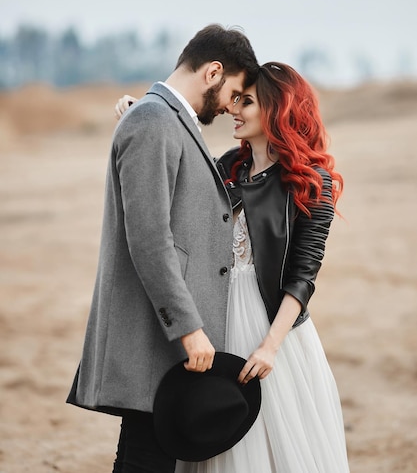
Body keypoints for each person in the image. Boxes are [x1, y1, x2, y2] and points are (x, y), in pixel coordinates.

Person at [117, 62, 350, 472]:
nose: (233, 109)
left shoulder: (312, 181)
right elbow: (177, 174)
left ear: (277, 110)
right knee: (215, 434)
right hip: (217, 321)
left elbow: (302, 276)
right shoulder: (227, 166)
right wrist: (141, 117)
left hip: (271, 331)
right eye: (235, 99)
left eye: (246, 101)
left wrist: (270, 346)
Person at [66, 24, 259, 473]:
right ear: (214, 71)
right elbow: (150, 240)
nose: (232, 105)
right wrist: (189, 329)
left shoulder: (161, 119)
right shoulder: (154, 121)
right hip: (158, 335)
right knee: (146, 460)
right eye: (234, 92)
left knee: (142, 456)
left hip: (162, 337)